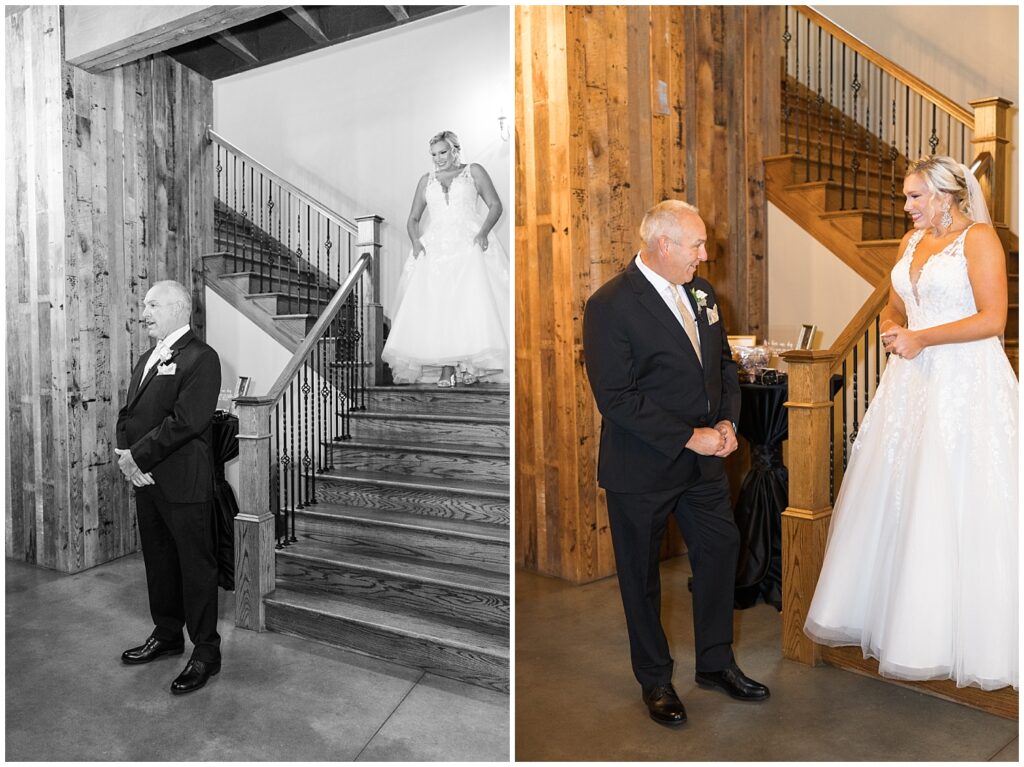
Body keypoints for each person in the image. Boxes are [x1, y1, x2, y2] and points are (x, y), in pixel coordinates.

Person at [804, 156, 1018, 691]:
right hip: (910, 383)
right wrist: (897, 329)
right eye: (906, 197)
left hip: (965, 380)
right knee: (899, 491)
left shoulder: (979, 239)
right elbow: (894, 305)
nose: (906, 207)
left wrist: (925, 338)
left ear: (947, 196)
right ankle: (898, 619)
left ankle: (961, 634)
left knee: (958, 493)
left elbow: (994, 318)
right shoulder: (908, 242)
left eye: (915, 197)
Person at [582, 200, 770, 726]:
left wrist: (729, 423)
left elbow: (723, 366)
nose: (704, 256)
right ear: (663, 245)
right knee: (640, 576)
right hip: (640, 467)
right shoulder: (610, 305)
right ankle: (656, 679)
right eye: (696, 245)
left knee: (719, 548)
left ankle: (715, 663)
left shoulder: (704, 293)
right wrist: (692, 437)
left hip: (704, 463)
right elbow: (616, 397)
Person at [115, 280, 223, 695]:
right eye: (145, 305)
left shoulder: (202, 358)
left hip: (183, 482)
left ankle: (206, 653)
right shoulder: (147, 357)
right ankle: (167, 633)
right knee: (159, 561)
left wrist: (136, 457)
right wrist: (126, 454)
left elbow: (187, 421)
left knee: (195, 566)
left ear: (179, 308)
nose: (145, 312)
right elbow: (129, 412)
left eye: (153, 305)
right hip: (146, 480)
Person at [381, 130, 510, 386]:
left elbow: (496, 205)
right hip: (436, 248)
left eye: (443, 152)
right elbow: (413, 219)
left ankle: (472, 365)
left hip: (469, 243)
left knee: (470, 302)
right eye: (433, 154)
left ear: (455, 150)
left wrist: (483, 232)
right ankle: (446, 368)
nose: (438, 159)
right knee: (439, 304)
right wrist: (416, 241)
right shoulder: (426, 180)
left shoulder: (473, 171)